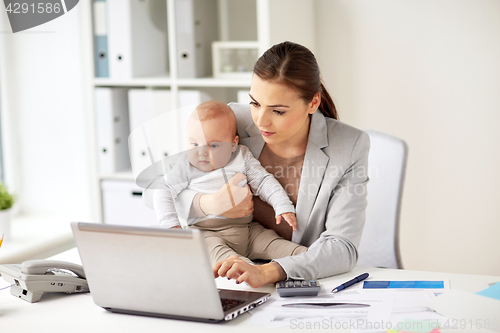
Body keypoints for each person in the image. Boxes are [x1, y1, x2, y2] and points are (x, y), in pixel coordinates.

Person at [144, 41, 370, 288]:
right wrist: (207, 204)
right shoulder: (230, 121)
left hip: (291, 278)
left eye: (278, 111)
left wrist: (268, 272)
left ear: (313, 103)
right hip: (224, 276)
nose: (261, 121)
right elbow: (155, 191)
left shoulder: (349, 145)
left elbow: (342, 247)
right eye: (254, 103)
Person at [153, 100, 307, 265]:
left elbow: (263, 182)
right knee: (223, 258)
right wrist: (172, 228)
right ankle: (245, 268)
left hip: (247, 231)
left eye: (212, 145)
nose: (201, 152)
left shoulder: (242, 156)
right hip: (207, 233)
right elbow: (162, 189)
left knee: (287, 248)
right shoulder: (186, 165)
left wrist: (282, 206)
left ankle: (312, 256)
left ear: (233, 144)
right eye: (194, 144)